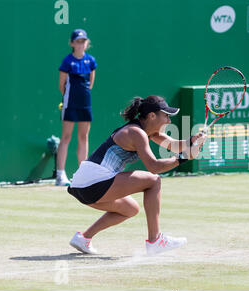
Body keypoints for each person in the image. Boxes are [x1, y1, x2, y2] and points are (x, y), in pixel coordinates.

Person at [67, 95, 204, 255]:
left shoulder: (148, 132)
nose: (168, 121)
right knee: (153, 181)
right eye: (166, 116)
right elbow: (154, 167)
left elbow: (174, 145)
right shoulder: (135, 133)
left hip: (81, 187)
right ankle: (155, 240)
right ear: (152, 116)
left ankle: (83, 238)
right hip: (94, 183)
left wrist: (193, 141)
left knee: (130, 209)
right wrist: (184, 157)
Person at [56, 29, 97, 186]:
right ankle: (60, 175)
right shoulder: (67, 62)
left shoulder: (91, 61)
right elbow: (62, 85)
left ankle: (82, 174)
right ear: (72, 43)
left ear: (87, 43)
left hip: (85, 103)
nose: (81, 44)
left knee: (84, 137)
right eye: (78, 41)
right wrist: (69, 99)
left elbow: (90, 84)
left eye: (83, 41)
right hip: (70, 103)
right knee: (66, 137)